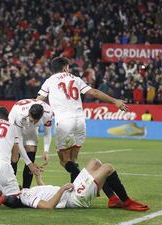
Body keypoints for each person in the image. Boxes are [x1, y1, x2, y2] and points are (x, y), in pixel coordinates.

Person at [36, 56, 128, 207]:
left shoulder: (50, 80)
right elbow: (93, 93)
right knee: (74, 160)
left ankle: (101, 190)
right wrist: (115, 101)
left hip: (64, 121)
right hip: (80, 121)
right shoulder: (75, 79)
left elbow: (39, 100)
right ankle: (80, 192)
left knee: (64, 161)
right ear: (65, 67)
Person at [0, 158, 149, 211]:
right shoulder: (25, 197)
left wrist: (38, 177)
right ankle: (126, 201)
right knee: (107, 168)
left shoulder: (27, 192)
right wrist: (62, 189)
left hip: (72, 191)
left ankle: (113, 199)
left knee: (95, 162)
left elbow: (44, 191)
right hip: (75, 198)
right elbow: (48, 206)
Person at [9, 99, 53, 188]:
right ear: (29, 113)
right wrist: (29, 164)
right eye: (32, 119)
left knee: (31, 151)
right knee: (15, 156)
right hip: (14, 123)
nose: (33, 122)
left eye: (35, 121)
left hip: (31, 129)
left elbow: (47, 133)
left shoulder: (48, 113)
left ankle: (26, 190)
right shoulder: (19, 115)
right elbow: (19, 140)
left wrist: (46, 150)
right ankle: (10, 188)